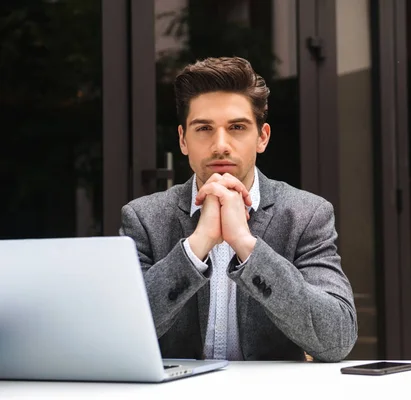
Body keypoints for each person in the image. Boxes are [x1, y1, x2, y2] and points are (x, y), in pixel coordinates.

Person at [119, 57, 357, 362]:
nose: (221, 145)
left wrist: (247, 246)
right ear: (183, 140)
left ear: (262, 137)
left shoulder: (306, 214)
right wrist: (196, 246)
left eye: (237, 127)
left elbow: (336, 338)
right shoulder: (144, 218)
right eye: (204, 128)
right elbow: (122, 333)